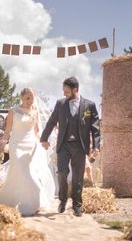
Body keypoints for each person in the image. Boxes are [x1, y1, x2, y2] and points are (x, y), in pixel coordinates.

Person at [41, 77, 100, 217]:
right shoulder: (60, 104)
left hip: (80, 145)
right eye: (63, 91)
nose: (64, 94)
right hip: (64, 145)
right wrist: (43, 138)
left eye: (66, 91)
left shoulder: (89, 105)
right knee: (61, 173)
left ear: (75, 90)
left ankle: (77, 205)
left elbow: (95, 128)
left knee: (78, 177)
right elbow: (51, 121)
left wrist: (96, 146)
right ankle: (62, 200)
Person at [0, 89, 55, 215]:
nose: (30, 101)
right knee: (21, 170)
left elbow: (36, 131)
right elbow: (8, 129)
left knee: (27, 171)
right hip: (16, 144)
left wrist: (41, 141)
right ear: (21, 98)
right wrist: (3, 143)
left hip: (31, 145)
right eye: (27, 98)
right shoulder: (13, 111)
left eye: (32, 98)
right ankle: (25, 200)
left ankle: (32, 201)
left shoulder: (34, 111)